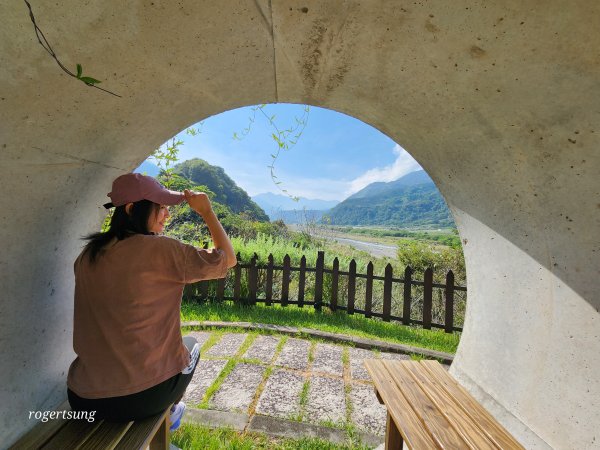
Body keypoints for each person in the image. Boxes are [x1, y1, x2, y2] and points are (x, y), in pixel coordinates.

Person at [66, 173, 236, 429]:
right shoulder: (162, 250)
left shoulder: (88, 254)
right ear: (133, 208)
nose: (166, 214)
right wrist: (207, 212)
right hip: (140, 398)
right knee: (192, 347)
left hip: (82, 397)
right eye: (161, 208)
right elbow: (228, 259)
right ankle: (170, 414)